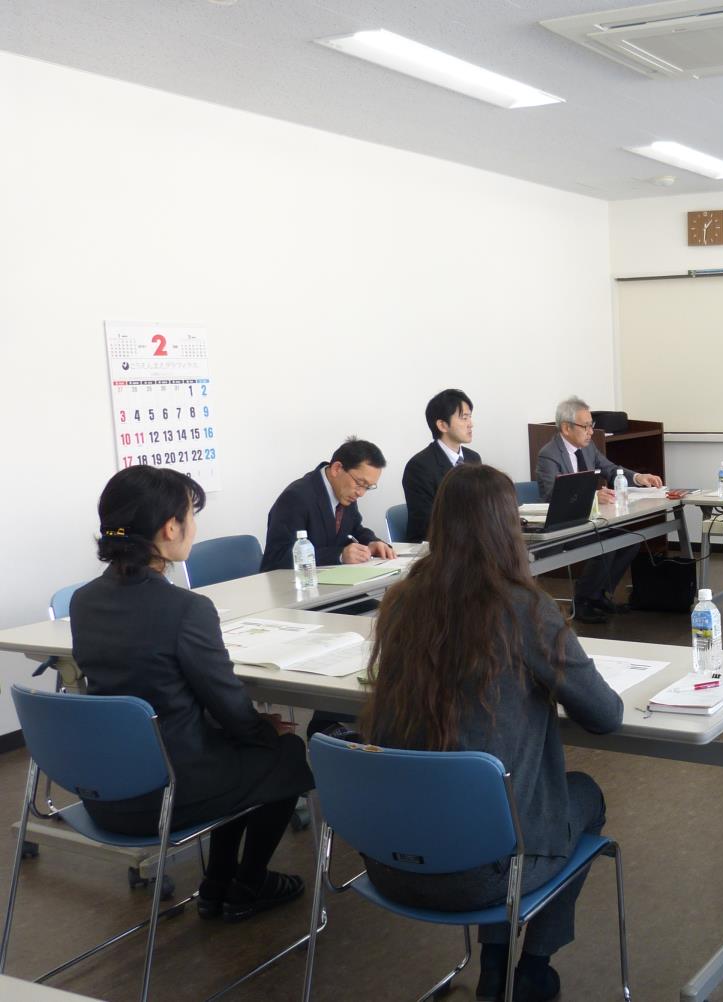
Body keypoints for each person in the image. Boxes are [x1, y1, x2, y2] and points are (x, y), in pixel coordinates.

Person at [360, 464, 623, 1002]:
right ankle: (529, 968)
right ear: (508, 528)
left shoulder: (402, 604)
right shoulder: (524, 608)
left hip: (390, 859)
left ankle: (497, 963)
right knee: (584, 796)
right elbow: (605, 715)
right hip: (483, 873)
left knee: (491, 804)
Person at [71, 465, 313, 921]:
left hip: (107, 791)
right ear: (169, 528)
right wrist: (265, 728)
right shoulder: (187, 609)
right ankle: (245, 883)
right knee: (285, 754)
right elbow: (230, 707)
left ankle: (219, 880)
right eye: (190, 516)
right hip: (169, 791)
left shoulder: (83, 602)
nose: (194, 527)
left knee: (238, 748)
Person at [534, 397, 663, 624]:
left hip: (588, 521)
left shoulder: (588, 447)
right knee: (605, 545)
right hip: (563, 528)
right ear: (566, 427)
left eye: (592, 425)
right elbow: (551, 497)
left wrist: (638, 477)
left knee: (631, 540)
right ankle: (583, 601)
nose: (591, 431)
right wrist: (593, 496)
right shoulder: (549, 454)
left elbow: (610, 469)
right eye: (586, 426)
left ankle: (599, 595)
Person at [261, 437, 396, 571]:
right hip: (293, 587)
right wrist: (339, 555)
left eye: (368, 487)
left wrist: (371, 542)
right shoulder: (296, 498)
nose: (361, 493)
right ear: (337, 468)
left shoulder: (345, 492)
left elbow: (354, 530)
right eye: (360, 483)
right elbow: (278, 558)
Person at [402, 388, 481, 543]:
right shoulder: (419, 467)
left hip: (471, 543)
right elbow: (427, 524)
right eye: (464, 418)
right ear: (442, 425)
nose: (471, 424)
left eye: (470, 417)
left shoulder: (473, 458)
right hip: (436, 547)